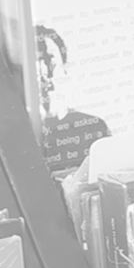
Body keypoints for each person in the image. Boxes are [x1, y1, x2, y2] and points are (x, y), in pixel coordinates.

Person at [33, 25, 109, 173]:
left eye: (51, 62)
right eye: (40, 62)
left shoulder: (94, 128)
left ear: (65, 69)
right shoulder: (23, 133)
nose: (46, 73)